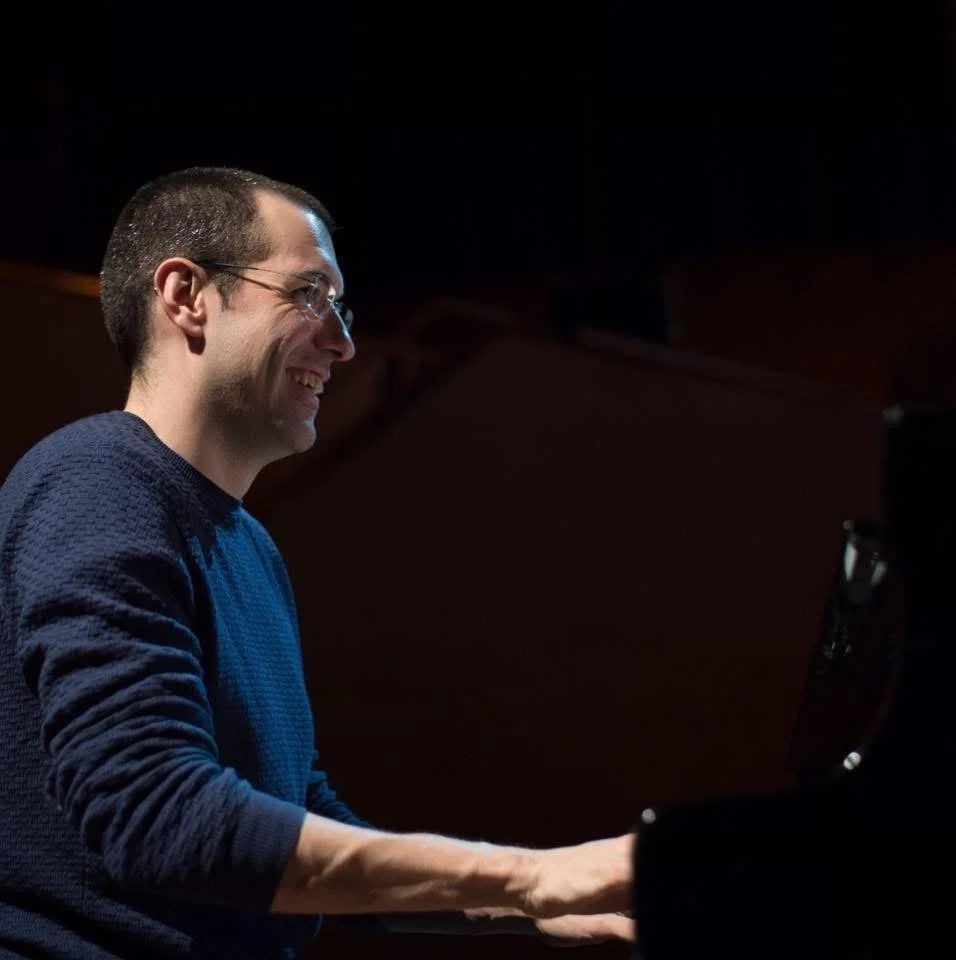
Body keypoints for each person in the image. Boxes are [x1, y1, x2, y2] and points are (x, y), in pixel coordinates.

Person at [0, 167, 635, 959]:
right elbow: (155, 814)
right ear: (186, 295)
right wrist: (522, 878)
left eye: (342, 307)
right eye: (309, 296)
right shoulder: (96, 482)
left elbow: (292, 811)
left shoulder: (251, 550)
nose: (342, 341)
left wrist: (518, 905)